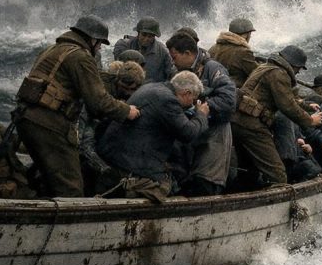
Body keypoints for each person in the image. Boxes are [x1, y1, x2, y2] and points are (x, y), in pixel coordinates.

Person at [15, 16, 140, 197]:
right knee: (71, 188)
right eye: (99, 43)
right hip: (49, 125)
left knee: (48, 178)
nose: (99, 48)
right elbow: (98, 101)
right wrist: (127, 111)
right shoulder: (80, 57)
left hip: (26, 118)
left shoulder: (53, 49)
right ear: (92, 39)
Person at [97, 71, 209, 202]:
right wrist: (201, 115)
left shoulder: (151, 87)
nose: (192, 104)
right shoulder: (168, 100)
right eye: (193, 100)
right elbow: (188, 133)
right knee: (167, 188)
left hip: (114, 155)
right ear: (187, 93)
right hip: (130, 164)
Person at [231, 46, 322, 186]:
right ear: (294, 64)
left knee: (249, 169)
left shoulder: (264, 68)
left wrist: (306, 106)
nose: (298, 72)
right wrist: (310, 120)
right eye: (299, 68)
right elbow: (287, 106)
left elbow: (287, 98)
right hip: (252, 127)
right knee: (278, 175)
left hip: (236, 121)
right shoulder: (279, 74)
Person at [166, 33, 236, 195]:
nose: (172, 62)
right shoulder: (177, 72)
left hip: (214, 132)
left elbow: (229, 100)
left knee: (207, 181)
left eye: (174, 57)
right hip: (191, 131)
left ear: (187, 53)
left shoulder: (213, 68)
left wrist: (201, 108)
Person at [79, 60, 145, 193]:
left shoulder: (118, 91)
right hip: (85, 123)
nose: (129, 94)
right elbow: (86, 121)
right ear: (119, 82)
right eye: (128, 89)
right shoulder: (100, 88)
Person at [113, 17, 175, 83]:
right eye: (144, 35)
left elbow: (171, 73)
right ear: (138, 33)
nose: (146, 39)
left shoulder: (163, 52)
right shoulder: (124, 45)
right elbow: (117, 67)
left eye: (150, 36)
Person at [209, 18, 259, 89]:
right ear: (246, 35)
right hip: (234, 90)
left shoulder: (213, 48)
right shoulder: (244, 52)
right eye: (250, 34)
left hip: (212, 88)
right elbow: (257, 73)